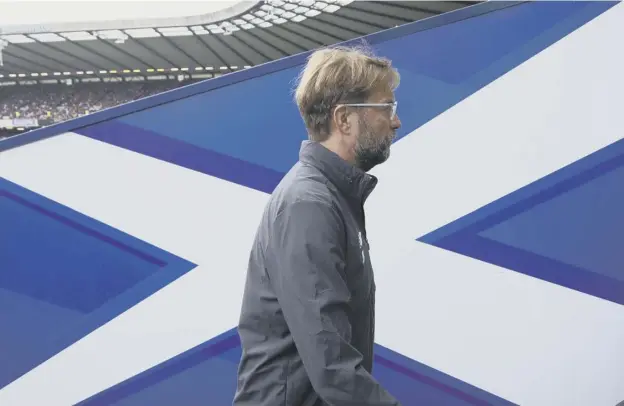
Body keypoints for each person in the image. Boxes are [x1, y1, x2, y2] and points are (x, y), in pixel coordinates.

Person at [233, 44, 402, 406]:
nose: (395, 120)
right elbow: (332, 365)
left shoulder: (332, 196)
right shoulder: (309, 204)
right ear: (344, 119)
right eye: (386, 107)